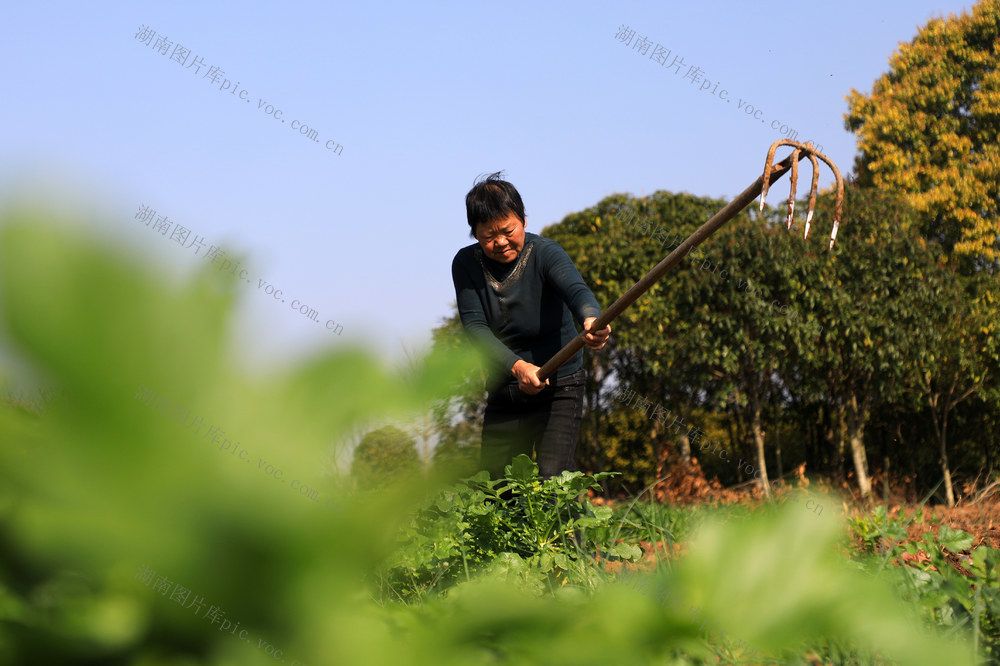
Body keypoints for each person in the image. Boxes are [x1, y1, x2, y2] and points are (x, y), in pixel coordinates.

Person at [451, 172, 611, 480]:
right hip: (506, 389)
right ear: (475, 234)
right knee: (500, 488)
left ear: (523, 219)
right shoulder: (465, 265)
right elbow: (475, 327)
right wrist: (518, 367)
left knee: (555, 478)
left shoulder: (546, 253)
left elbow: (577, 292)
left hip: (560, 385)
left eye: (507, 230)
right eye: (487, 236)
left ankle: (572, 529)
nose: (499, 242)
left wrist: (591, 318)